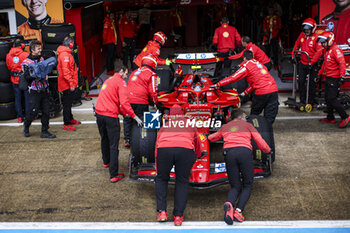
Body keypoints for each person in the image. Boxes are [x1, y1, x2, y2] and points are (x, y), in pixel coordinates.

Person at [208, 108, 271, 224]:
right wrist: (267, 150)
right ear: (241, 116)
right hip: (244, 152)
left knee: (235, 185)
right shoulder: (248, 126)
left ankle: (229, 203)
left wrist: (204, 136)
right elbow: (259, 140)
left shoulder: (226, 126)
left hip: (229, 153)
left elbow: (212, 138)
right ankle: (238, 210)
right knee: (247, 184)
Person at [155, 104, 201, 226]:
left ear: (170, 114)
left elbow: (157, 144)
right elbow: (198, 141)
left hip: (164, 150)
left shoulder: (165, 125)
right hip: (185, 150)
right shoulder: (189, 123)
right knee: (182, 181)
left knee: (161, 179)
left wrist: (157, 165)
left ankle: (162, 212)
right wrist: (198, 154)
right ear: (183, 113)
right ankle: (178, 216)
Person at [95, 65, 143, 182]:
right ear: (121, 71)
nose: (126, 76)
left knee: (104, 139)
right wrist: (134, 116)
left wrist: (123, 113)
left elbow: (112, 100)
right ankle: (113, 174)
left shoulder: (109, 80)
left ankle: (106, 161)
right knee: (113, 145)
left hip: (99, 113)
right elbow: (125, 103)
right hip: (110, 116)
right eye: (126, 74)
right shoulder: (121, 83)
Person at [212, 50, 279, 125]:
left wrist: (217, 84)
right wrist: (244, 93)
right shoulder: (260, 65)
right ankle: (267, 131)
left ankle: (253, 130)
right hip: (274, 90)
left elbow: (233, 78)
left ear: (244, 58)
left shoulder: (247, 66)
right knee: (270, 116)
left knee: (254, 114)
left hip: (261, 92)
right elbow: (255, 83)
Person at [22, 40, 56, 138]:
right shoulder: (26, 62)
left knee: (46, 111)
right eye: (38, 48)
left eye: (41, 48)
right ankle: (26, 126)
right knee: (33, 112)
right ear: (32, 50)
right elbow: (26, 77)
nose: (41, 50)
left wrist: (45, 74)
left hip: (44, 89)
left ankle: (45, 131)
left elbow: (47, 69)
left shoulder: (42, 59)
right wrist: (36, 75)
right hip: (34, 91)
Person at [123, 54, 159, 147]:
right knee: (141, 121)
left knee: (128, 119)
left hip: (128, 100)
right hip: (141, 101)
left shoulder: (134, 72)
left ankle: (127, 140)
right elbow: (153, 91)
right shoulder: (151, 74)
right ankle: (140, 140)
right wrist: (155, 103)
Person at [317, 31, 350, 128]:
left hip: (334, 79)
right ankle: (330, 117)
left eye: (324, 42)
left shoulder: (336, 50)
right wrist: (319, 74)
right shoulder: (327, 50)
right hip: (329, 77)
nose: (322, 44)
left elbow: (342, 63)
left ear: (330, 41)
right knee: (327, 98)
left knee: (332, 98)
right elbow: (324, 64)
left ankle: (345, 117)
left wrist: (342, 76)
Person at [291, 18, 323, 106]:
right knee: (301, 82)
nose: (306, 31)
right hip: (303, 63)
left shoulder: (316, 37)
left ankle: (310, 102)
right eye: (305, 29)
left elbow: (319, 51)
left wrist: (311, 63)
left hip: (312, 64)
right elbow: (296, 45)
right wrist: (293, 55)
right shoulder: (302, 35)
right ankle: (302, 100)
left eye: (308, 29)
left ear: (312, 28)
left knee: (312, 84)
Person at [57, 36, 81, 131]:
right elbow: (66, 72)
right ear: (71, 44)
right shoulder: (65, 55)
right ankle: (66, 123)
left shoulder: (66, 54)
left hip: (67, 83)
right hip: (66, 84)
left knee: (69, 103)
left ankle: (70, 119)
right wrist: (71, 84)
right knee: (67, 104)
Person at [6, 39, 29, 123]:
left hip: (14, 79)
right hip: (24, 79)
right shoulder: (25, 54)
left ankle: (20, 117)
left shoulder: (8, 55)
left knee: (17, 98)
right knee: (27, 97)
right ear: (22, 45)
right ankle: (28, 115)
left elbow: (8, 67)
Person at [103, 11, 118, 76]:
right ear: (108, 15)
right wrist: (105, 41)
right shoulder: (107, 23)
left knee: (112, 56)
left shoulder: (112, 22)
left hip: (113, 42)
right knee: (109, 56)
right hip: (109, 42)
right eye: (111, 15)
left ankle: (112, 69)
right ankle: (109, 70)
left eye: (112, 15)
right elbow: (104, 34)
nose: (112, 16)